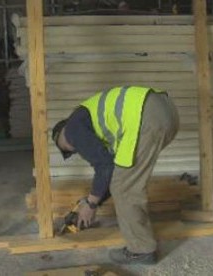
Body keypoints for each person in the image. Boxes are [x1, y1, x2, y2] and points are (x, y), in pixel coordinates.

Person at [52, 86, 179, 265]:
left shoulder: (71, 130)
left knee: (125, 187)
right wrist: (92, 200)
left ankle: (141, 250)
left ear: (60, 135)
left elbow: (104, 167)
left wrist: (91, 204)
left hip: (147, 115)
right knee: (123, 182)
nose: (73, 149)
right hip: (165, 111)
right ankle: (141, 246)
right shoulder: (94, 123)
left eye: (66, 148)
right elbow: (112, 171)